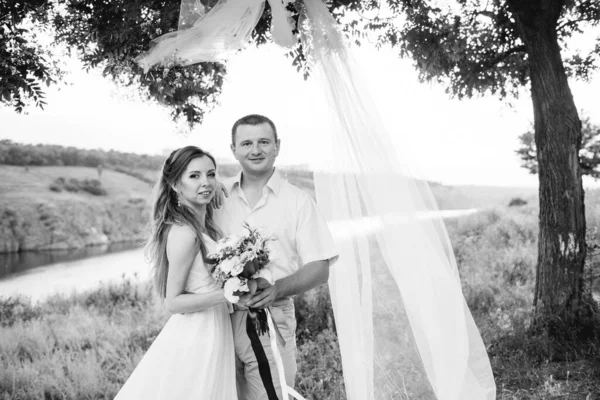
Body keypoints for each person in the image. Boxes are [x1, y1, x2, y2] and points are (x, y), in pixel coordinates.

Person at [214, 114, 339, 400]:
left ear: (277, 146)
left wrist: (276, 290)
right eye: (246, 143)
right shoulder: (217, 198)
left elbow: (320, 268)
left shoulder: (298, 202)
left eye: (263, 142)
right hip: (218, 318)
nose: (255, 150)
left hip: (271, 317)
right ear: (233, 149)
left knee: (274, 396)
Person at [114, 146, 237, 400]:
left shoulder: (204, 226)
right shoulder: (185, 233)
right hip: (198, 333)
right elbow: (173, 302)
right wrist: (227, 293)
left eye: (211, 174)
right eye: (194, 176)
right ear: (174, 184)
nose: (206, 182)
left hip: (214, 327)